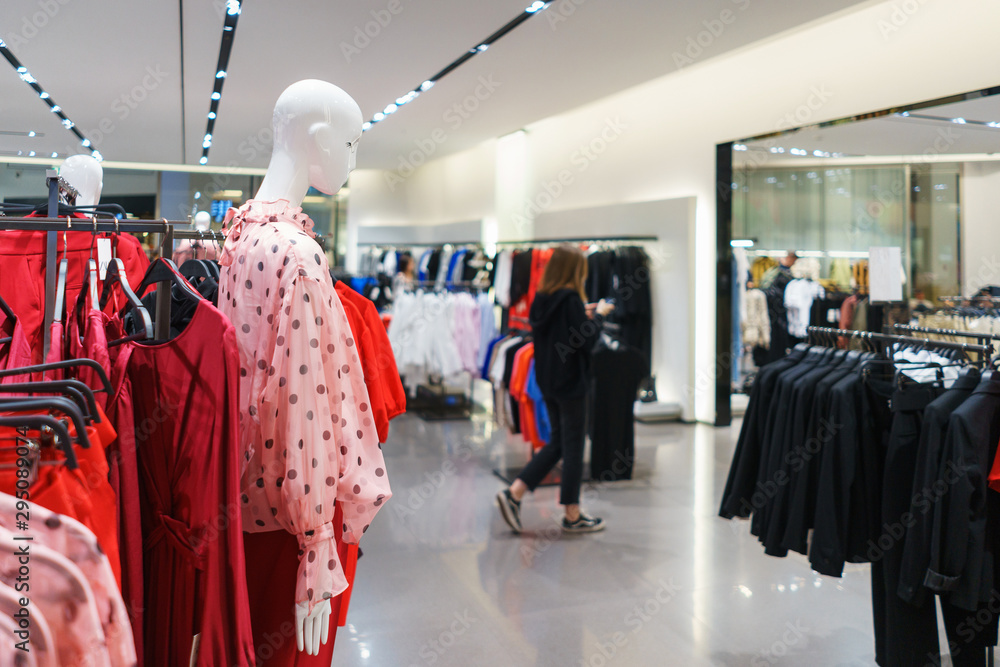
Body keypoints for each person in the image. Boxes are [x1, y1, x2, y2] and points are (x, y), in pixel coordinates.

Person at [496, 244, 614, 534]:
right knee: (573, 447)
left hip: (547, 380)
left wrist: (582, 315)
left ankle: (515, 493)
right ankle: (572, 514)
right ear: (575, 270)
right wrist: (598, 316)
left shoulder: (542, 299)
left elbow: (561, 331)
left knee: (559, 443)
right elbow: (586, 341)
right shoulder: (571, 300)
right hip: (571, 383)